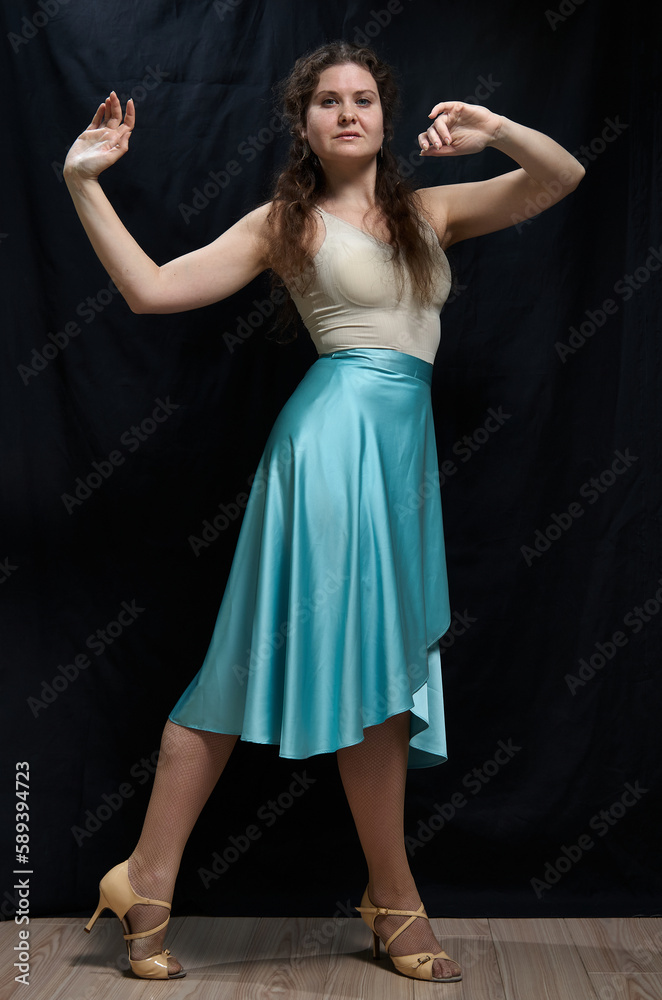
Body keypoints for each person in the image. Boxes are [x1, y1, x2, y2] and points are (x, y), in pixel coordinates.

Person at [64, 40, 584, 984]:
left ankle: (373, 894)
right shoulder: (282, 222)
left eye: (365, 100)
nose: (348, 113)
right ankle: (156, 875)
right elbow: (149, 291)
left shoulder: (430, 209)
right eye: (328, 102)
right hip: (327, 451)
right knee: (256, 661)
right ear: (302, 124)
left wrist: (493, 128)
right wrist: (83, 182)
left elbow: (563, 176)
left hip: (400, 462)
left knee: (379, 676)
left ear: (387, 118)